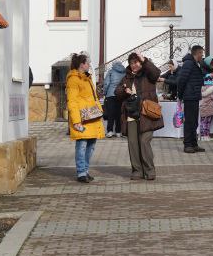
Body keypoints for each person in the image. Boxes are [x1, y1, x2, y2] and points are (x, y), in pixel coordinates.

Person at [114, 51, 163, 180]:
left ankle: (150, 170)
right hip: (131, 115)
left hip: (147, 115)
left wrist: (145, 60)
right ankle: (137, 171)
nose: (134, 65)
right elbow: (117, 92)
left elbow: (156, 73)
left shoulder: (148, 75)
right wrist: (125, 91)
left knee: (144, 141)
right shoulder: (126, 77)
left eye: (136, 62)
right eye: (131, 63)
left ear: (140, 63)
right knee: (133, 144)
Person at [64, 53, 103, 182]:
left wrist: (100, 111)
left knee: (91, 145)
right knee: (82, 145)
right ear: (82, 64)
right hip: (82, 118)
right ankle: (81, 172)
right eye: (88, 63)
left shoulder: (87, 78)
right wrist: (76, 121)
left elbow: (93, 98)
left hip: (92, 117)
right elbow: (72, 101)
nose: (89, 65)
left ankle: (85, 170)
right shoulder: (73, 79)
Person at [179, 45, 207, 153]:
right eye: (201, 53)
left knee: (194, 121)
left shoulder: (195, 63)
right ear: (197, 53)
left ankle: (194, 143)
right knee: (190, 121)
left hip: (194, 95)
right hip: (189, 96)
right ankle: (187, 145)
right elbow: (182, 80)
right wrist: (180, 95)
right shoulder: (189, 63)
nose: (202, 56)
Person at [102, 58, 126, 138]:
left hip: (110, 94)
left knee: (110, 113)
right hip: (120, 95)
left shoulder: (111, 71)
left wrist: (104, 93)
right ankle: (118, 132)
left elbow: (106, 83)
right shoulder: (125, 72)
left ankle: (110, 131)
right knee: (119, 113)